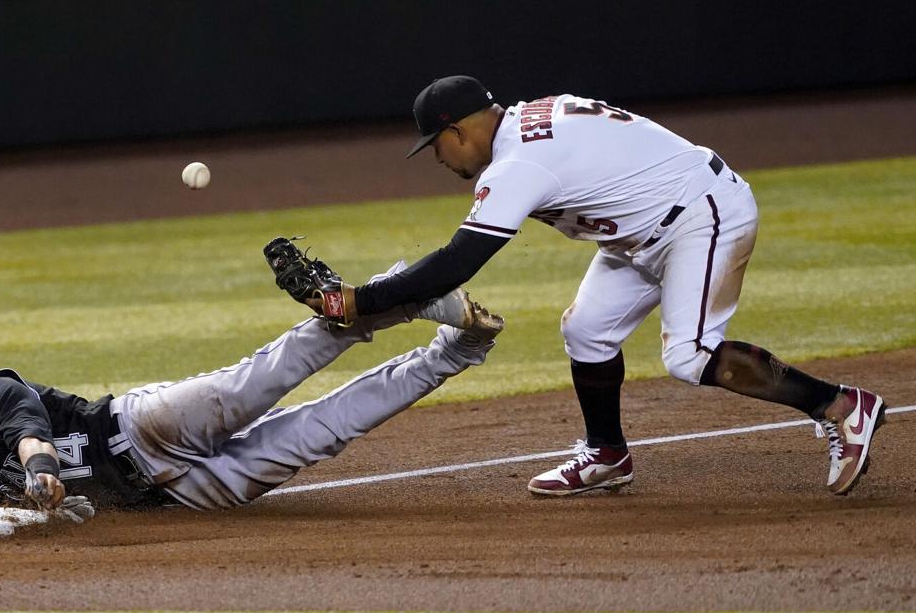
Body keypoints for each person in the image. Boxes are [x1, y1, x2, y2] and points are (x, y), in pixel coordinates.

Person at [285, 75, 887, 497]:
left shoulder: (517, 163)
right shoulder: (526, 120)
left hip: (702, 216)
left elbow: (458, 262)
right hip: (646, 230)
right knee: (587, 330)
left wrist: (357, 301)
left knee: (689, 354)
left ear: (460, 130)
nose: (439, 158)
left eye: (436, 144)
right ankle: (607, 455)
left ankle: (840, 406)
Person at [0, 279, 503, 532]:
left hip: (143, 424)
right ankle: (457, 352)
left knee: (264, 377)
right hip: (179, 497)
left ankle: (404, 292)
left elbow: (29, 429)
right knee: (326, 430)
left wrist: (38, 469)